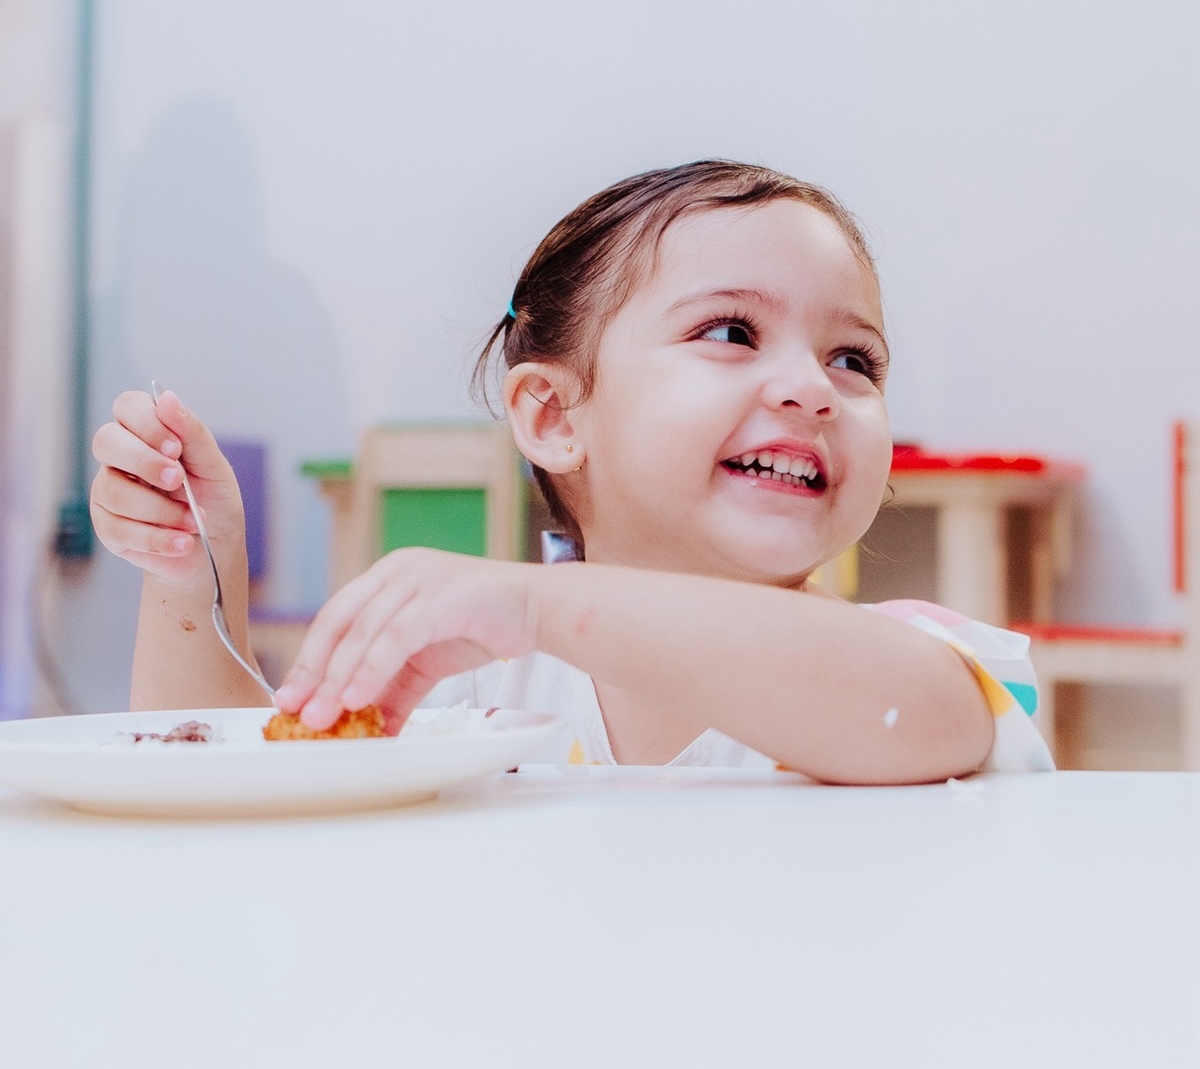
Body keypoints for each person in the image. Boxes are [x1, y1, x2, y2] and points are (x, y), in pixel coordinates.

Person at [89, 161, 1053, 782]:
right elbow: (235, 798)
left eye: (856, 361)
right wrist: (191, 577)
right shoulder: (474, 702)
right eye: (731, 331)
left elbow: (912, 715)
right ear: (553, 417)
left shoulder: (923, 664)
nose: (812, 387)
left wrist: (545, 605)